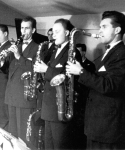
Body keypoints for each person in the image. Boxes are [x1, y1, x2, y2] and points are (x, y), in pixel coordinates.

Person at [66, 11, 125, 149]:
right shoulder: (106, 54)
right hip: (96, 126)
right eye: (100, 27)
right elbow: (95, 81)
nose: (99, 31)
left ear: (117, 30)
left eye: (104, 26)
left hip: (108, 129)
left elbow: (110, 86)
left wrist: (80, 71)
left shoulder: (123, 55)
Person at [34, 18, 82, 150]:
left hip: (60, 109)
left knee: (60, 146)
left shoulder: (72, 52)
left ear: (67, 33)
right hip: (50, 108)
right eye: (53, 31)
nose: (53, 35)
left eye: (57, 31)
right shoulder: (55, 51)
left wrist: (46, 70)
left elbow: (66, 78)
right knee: (49, 146)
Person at [4, 16, 39, 145]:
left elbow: (35, 69)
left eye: (27, 28)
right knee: (12, 134)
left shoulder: (38, 48)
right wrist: (3, 60)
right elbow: (8, 70)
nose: (23, 31)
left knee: (25, 136)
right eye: (22, 28)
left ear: (33, 30)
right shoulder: (16, 45)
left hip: (25, 97)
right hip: (12, 95)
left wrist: (18, 56)